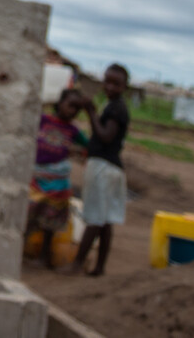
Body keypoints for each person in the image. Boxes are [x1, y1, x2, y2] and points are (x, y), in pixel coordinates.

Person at [70, 63, 130, 277]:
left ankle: (77, 263)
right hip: (111, 167)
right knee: (105, 221)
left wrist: (91, 113)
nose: (110, 87)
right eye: (107, 81)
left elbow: (105, 135)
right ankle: (99, 268)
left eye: (115, 84)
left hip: (103, 166)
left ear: (124, 87)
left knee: (95, 217)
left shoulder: (115, 109)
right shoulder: (114, 105)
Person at [27, 88, 89, 268]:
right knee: (29, 213)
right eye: (70, 105)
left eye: (77, 109)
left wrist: (79, 153)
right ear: (59, 103)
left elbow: (87, 147)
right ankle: (23, 250)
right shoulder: (44, 121)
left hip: (58, 184)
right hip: (37, 178)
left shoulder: (73, 131)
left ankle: (44, 257)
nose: (72, 111)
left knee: (50, 222)